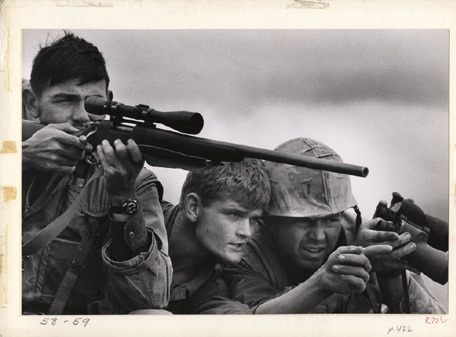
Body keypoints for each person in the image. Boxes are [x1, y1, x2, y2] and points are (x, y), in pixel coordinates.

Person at [21, 32, 172, 314]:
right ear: (32, 104)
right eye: (64, 100)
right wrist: (20, 158)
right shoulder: (14, 148)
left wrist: (123, 196)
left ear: (109, 102)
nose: (81, 115)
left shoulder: (134, 179)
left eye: (94, 103)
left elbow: (151, 298)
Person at [224, 138, 445, 313]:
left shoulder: (359, 237)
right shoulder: (243, 253)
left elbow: (434, 324)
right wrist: (345, 273)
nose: (319, 236)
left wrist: (390, 276)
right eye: (304, 221)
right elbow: (263, 321)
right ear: (270, 219)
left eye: (331, 219)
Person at [159, 158, 271, 314]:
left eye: (254, 219)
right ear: (194, 207)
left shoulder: (213, 285)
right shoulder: (134, 216)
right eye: (234, 214)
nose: (247, 232)